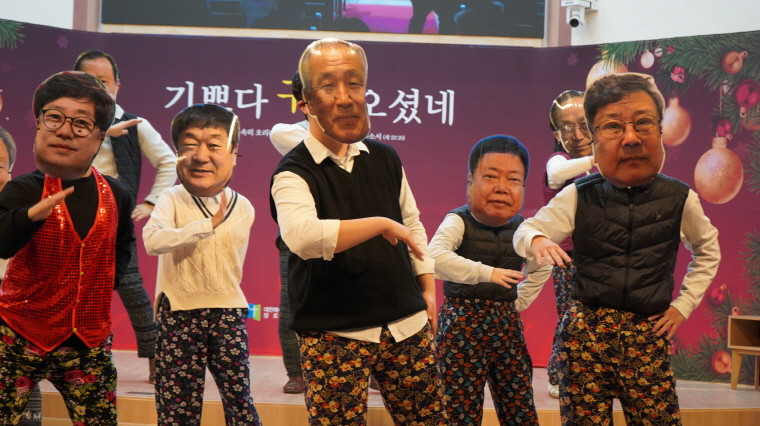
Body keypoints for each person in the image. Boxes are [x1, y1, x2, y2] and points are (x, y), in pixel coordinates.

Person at [513, 72, 721, 425]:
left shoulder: (679, 197)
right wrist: (538, 240)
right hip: (585, 338)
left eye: (643, 123)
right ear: (594, 138)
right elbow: (526, 229)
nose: (631, 138)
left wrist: (682, 306)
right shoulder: (579, 194)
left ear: (659, 130)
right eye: (612, 127)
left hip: (647, 333)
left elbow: (708, 249)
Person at [270, 38, 447, 424]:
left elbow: (412, 222)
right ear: (305, 102)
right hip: (333, 333)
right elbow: (303, 237)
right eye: (328, 86)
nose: (345, 98)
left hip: (406, 324)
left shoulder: (385, 157)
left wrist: (427, 287)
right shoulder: (293, 172)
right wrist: (380, 224)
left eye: (354, 83)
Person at [0, 71, 134, 425]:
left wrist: (103, 287)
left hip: (88, 342)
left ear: (100, 136)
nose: (64, 131)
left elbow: (123, 246)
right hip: (18, 335)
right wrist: (29, 217)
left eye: (81, 123)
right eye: (55, 117)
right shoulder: (23, 189)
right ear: (39, 123)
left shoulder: (117, 194)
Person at [143, 104, 261, 425]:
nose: (200, 155)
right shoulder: (171, 198)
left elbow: (230, 266)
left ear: (233, 152)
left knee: (240, 402)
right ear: (178, 152)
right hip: (178, 312)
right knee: (177, 407)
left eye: (214, 145)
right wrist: (206, 225)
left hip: (228, 312)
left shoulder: (244, 206)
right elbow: (153, 241)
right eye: (190, 144)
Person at [428, 135, 549, 424]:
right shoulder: (458, 220)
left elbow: (542, 264)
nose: (501, 187)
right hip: (461, 323)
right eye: (491, 176)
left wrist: (519, 300)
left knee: (519, 405)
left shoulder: (524, 228)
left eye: (513, 179)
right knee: (459, 410)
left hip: (506, 323)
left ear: (523, 187)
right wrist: (488, 273)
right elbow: (433, 258)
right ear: (470, 181)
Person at [74, 49, 177, 383]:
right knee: (75, 292)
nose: (98, 87)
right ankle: (73, 359)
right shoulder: (68, 125)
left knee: (133, 291)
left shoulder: (134, 124)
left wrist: (150, 202)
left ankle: (156, 360)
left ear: (117, 85)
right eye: (89, 80)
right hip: (71, 221)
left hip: (115, 222)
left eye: (104, 81)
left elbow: (170, 162)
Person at [528, 90, 597, 399]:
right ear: (557, 134)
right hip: (568, 256)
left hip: (596, 254)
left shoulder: (592, 167)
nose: (578, 134)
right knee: (571, 317)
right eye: (568, 127)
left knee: (589, 319)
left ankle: (584, 375)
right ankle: (558, 376)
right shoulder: (560, 161)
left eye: (584, 124)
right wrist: (598, 158)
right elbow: (556, 173)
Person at [270, 71, 309, 394]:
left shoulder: (358, 141)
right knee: (290, 306)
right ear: (303, 102)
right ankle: (296, 372)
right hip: (295, 238)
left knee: (358, 305)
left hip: (346, 236)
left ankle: (370, 372)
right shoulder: (290, 133)